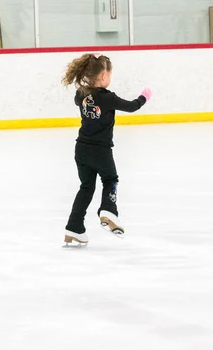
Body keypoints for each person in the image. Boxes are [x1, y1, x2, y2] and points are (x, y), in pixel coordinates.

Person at [61, 53, 152, 246]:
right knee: (110, 179)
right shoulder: (108, 98)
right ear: (103, 76)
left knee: (86, 187)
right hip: (100, 150)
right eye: (110, 75)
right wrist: (144, 97)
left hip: (81, 149)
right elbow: (132, 107)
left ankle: (74, 227)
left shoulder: (81, 94)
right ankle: (108, 210)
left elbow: (81, 102)